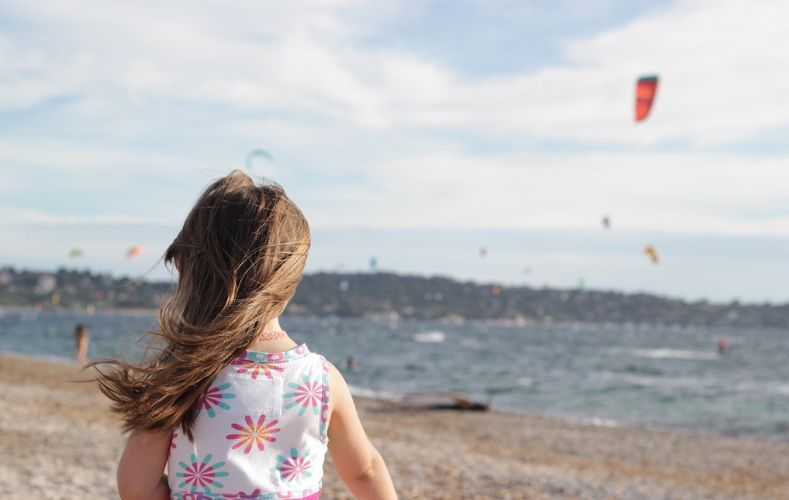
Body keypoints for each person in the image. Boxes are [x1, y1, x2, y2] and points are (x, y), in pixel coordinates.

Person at [90, 171, 397, 500]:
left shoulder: (183, 373)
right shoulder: (321, 379)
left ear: (195, 273)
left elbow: (137, 486)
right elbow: (366, 472)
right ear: (290, 279)